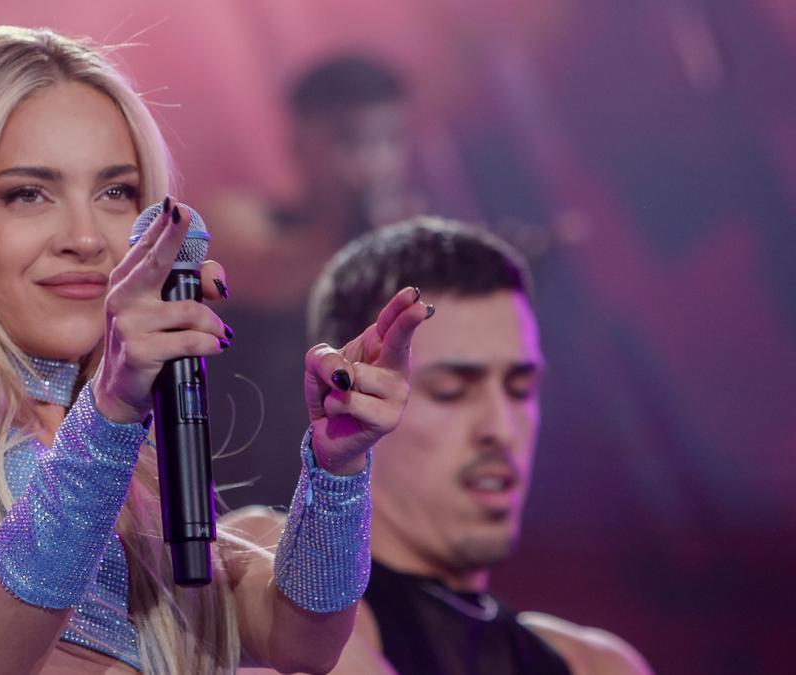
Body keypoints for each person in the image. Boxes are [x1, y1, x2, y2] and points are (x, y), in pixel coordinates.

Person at [0, 26, 432, 674]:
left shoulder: (128, 457)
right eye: (28, 194)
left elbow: (300, 639)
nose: (86, 236)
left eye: (115, 192)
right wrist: (111, 408)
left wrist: (338, 471)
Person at [235, 217, 652, 674]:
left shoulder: (594, 664)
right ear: (351, 391)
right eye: (452, 389)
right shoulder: (267, 573)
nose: (501, 428)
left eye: (519, 389)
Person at [205, 55, 421, 512]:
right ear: (299, 145)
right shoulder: (243, 221)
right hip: (240, 499)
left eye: (389, 140)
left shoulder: (405, 250)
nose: (373, 162)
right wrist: (361, 229)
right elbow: (267, 275)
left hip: (359, 504)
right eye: (349, 140)